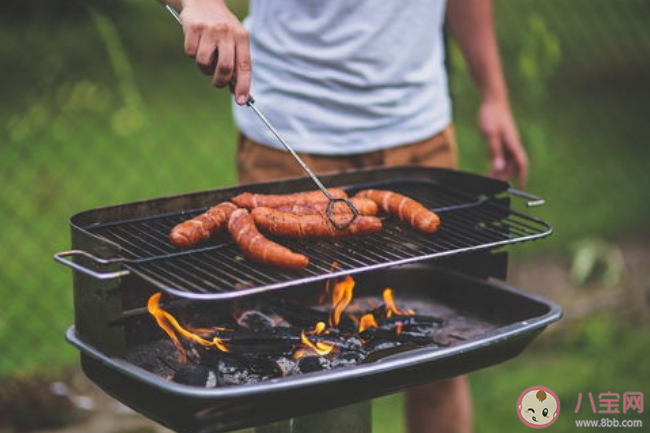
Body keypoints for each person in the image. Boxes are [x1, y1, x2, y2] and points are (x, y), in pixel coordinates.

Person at [158, 1, 528, 432]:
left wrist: (494, 95)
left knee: (438, 357)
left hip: (419, 133)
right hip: (290, 135)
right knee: (285, 365)